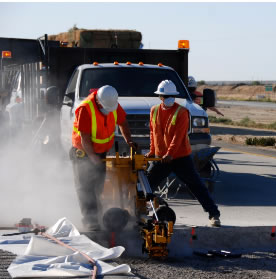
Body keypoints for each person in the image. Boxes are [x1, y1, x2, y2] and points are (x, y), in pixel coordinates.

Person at [145, 80, 221, 227]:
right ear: (160, 96)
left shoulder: (182, 112)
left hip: (180, 157)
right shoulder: (154, 110)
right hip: (161, 158)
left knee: (196, 185)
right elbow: (153, 133)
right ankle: (140, 211)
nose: (169, 98)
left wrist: (169, 154)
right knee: (146, 186)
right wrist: (153, 151)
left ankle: (214, 214)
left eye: (171, 95)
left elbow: (178, 136)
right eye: (166, 96)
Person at [71, 85, 137, 231]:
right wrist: (92, 156)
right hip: (83, 153)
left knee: (98, 187)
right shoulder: (85, 109)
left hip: (100, 153)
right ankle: (91, 222)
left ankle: (99, 217)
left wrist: (129, 140)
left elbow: (123, 122)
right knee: (85, 189)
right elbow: (85, 138)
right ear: (99, 102)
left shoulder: (112, 104)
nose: (109, 111)